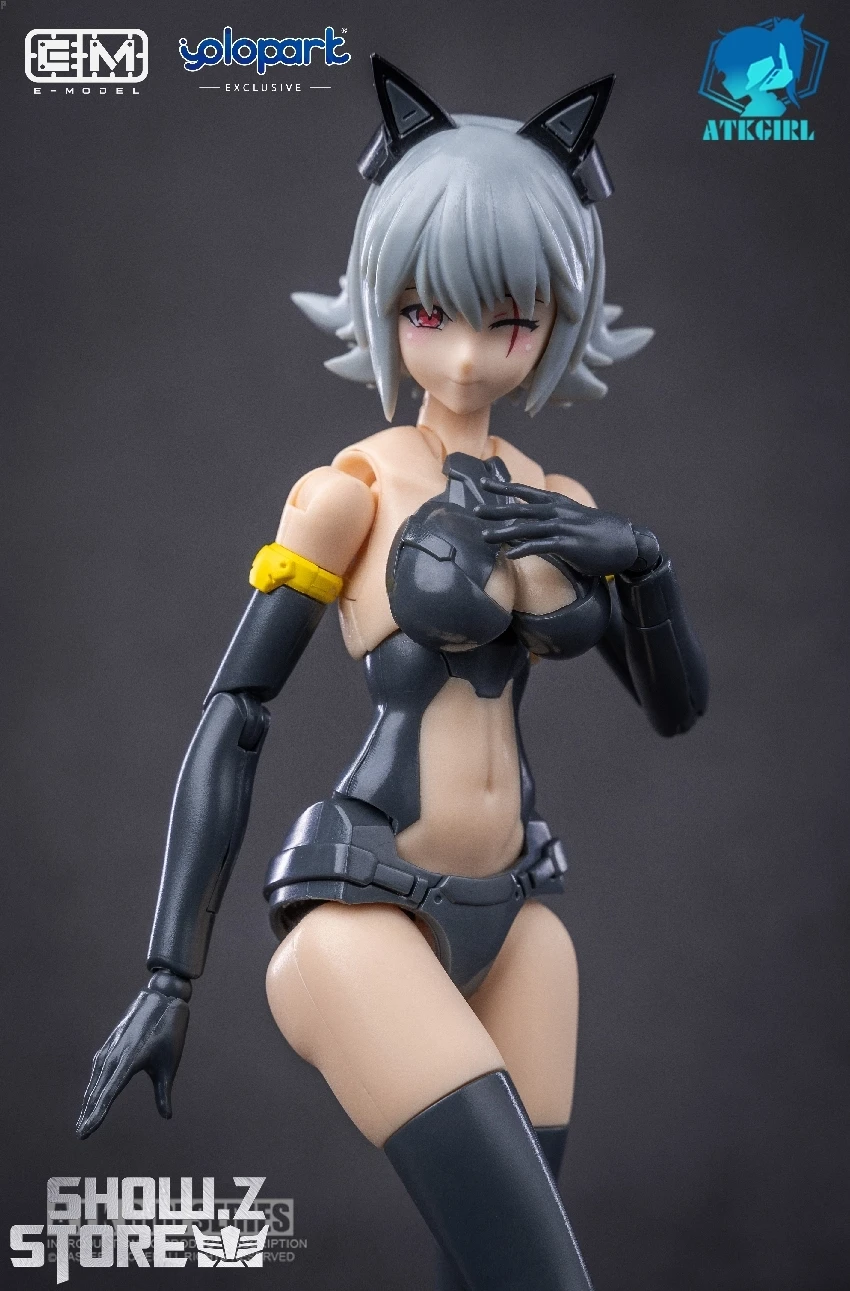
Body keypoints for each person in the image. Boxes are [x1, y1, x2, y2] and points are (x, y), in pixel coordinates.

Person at [77, 57, 708, 1291]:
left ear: (556, 317)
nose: (465, 357)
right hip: (362, 916)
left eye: (507, 320)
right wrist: (168, 974)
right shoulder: (349, 493)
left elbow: (675, 709)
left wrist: (643, 558)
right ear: (383, 302)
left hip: (519, 920)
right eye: (428, 313)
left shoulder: (557, 497)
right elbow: (237, 711)